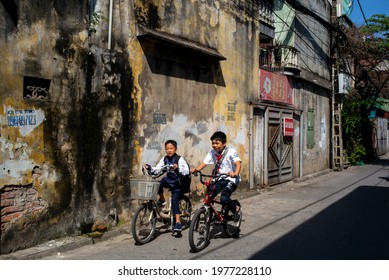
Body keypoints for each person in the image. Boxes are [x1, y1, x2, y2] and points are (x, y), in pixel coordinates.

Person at [191, 131, 242, 222]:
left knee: (224, 198)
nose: (215, 145)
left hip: (231, 179)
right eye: (213, 143)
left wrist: (235, 173)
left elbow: (238, 163)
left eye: (217, 143)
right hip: (219, 178)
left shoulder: (231, 152)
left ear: (224, 143)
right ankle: (210, 213)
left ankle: (235, 209)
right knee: (210, 195)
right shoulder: (212, 153)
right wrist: (196, 170)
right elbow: (204, 163)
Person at [144, 140, 189, 232]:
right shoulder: (164, 159)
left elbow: (186, 170)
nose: (169, 150)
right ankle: (162, 199)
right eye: (167, 149)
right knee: (158, 183)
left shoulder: (179, 159)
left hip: (177, 182)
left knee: (175, 200)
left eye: (171, 148)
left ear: (175, 149)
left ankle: (178, 222)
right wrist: (150, 168)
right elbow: (158, 169)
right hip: (169, 180)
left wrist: (178, 168)